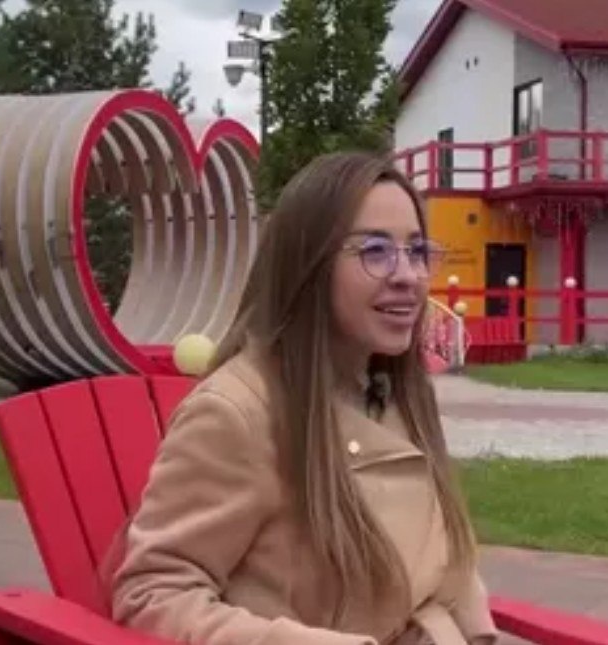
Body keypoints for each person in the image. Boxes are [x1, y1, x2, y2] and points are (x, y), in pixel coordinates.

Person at [109, 152, 498, 645]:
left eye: (417, 250)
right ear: (308, 265)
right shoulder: (236, 415)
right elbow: (151, 594)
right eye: (375, 251)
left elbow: (442, 561)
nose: (409, 275)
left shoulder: (394, 394)